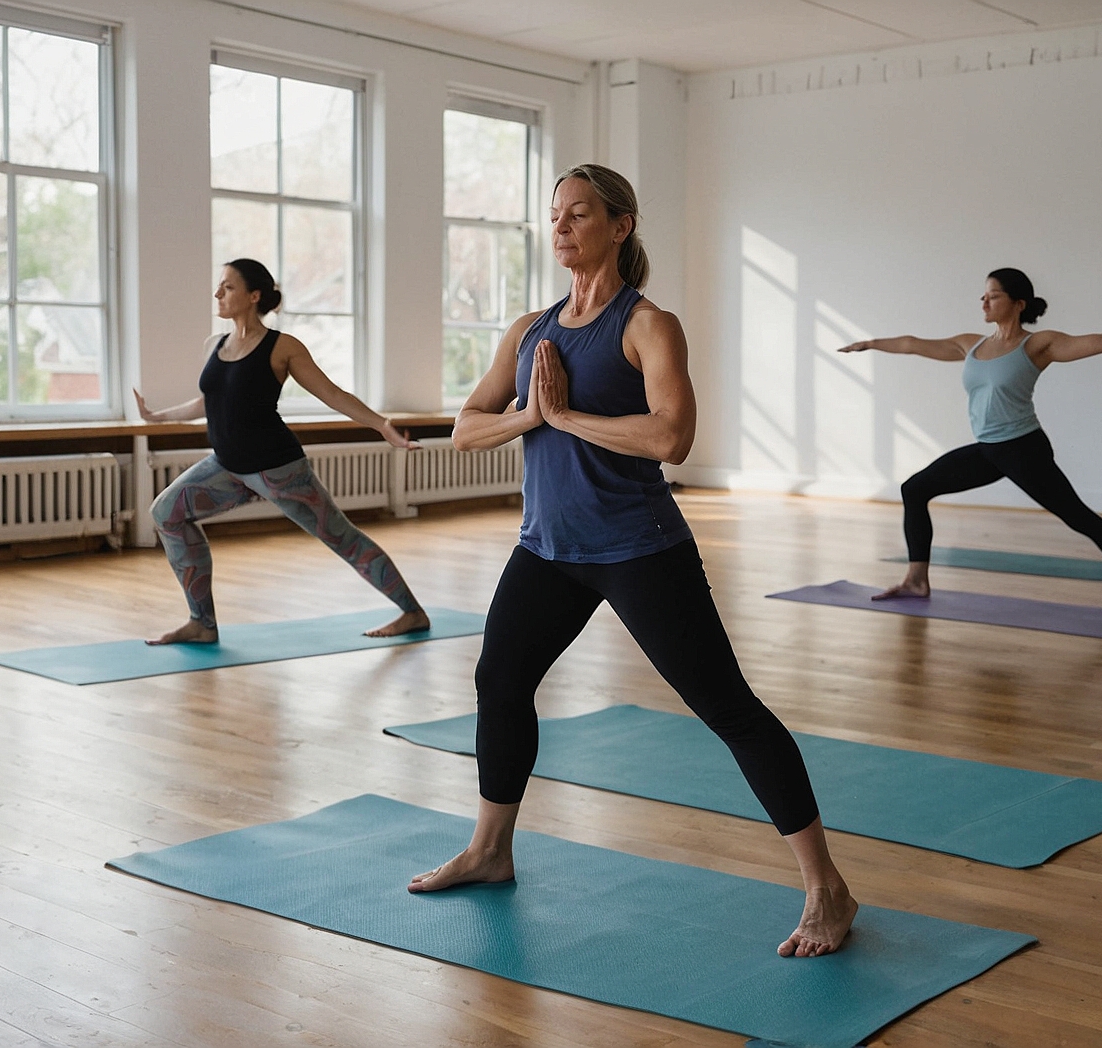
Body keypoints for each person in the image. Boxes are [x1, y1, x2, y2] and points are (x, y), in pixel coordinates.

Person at [406, 164, 858, 959]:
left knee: (728, 709)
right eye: (555, 216)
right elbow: (465, 430)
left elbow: (669, 440)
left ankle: (829, 888)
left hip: (639, 550)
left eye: (580, 214)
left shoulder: (649, 324)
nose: (562, 227)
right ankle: (490, 848)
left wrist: (568, 415)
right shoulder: (527, 329)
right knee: (500, 682)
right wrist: (530, 418)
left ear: (620, 226)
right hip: (546, 549)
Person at [840, 267, 1102, 606]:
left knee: (1078, 517)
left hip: (1024, 449)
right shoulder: (970, 346)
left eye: (994, 296)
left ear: (1018, 303)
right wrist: (870, 343)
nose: (985, 303)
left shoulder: (1037, 345)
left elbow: (1100, 341)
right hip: (988, 450)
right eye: (983, 296)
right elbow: (912, 344)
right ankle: (916, 580)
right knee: (914, 489)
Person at [133, 258, 430, 645]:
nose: (217, 293)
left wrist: (383, 427)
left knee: (340, 537)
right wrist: (157, 418)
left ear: (254, 295)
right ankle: (201, 623)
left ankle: (412, 612)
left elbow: (333, 394)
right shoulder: (216, 344)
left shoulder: (282, 347)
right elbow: (211, 400)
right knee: (166, 512)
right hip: (227, 466)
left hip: (279, 469)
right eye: (219, 286)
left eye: (227, 286)